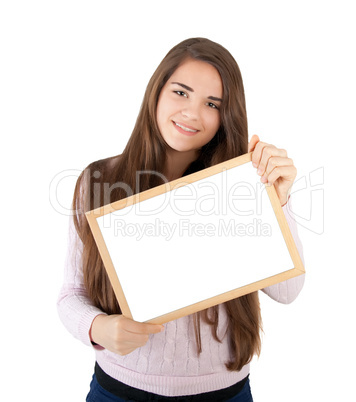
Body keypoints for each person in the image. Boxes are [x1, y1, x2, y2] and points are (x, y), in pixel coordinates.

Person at [57, 37, 305, 401]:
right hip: (118, 390)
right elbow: (71, 294)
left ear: (225, 116)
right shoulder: (99, 181)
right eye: (181, 92)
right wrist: (98, 327)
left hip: (224, 393)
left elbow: (287, 292)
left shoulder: (241, 184)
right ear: (156, 92)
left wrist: (277, 199)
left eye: (211, 103)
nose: (192, 112)